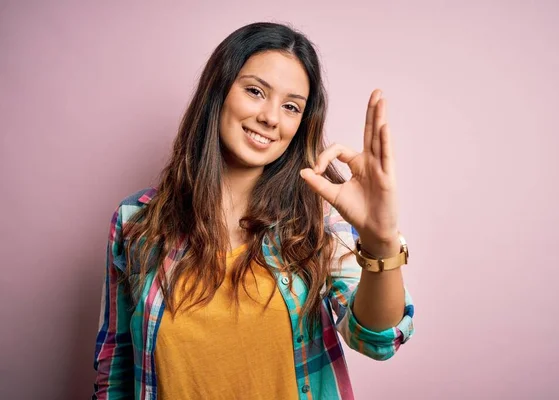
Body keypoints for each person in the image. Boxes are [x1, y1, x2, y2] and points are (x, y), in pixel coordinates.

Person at [92, 21, 415, 400]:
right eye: (255, 91)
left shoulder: (318, 221)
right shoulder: (136, 222)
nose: (271, 117)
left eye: (291, 106)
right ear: (218, 92)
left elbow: (377, 339)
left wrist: (381, 242)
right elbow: (114, 374)